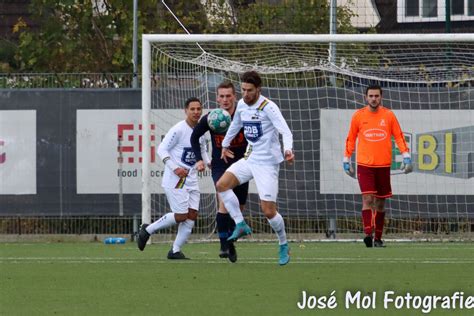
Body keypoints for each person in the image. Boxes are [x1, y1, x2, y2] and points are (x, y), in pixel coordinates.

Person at [215, 70, 294, 266]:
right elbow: (235, 125)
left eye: (249, 90)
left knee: (268, 211)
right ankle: (240, 223)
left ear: (258, 90)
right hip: (250, 159)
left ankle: (283, 243)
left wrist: (288, 149)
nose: (245, 94)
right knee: (222, 185)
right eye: (243, 90)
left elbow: (285, 130)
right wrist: (225, 145)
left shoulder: (269, 107)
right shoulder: (241, 104)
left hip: (267, 164)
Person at [137, 97, 210, 259]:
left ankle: (175, 250)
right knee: (181, 215)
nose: (196, 112)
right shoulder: (178, 129)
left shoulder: (201, 131)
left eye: (199, 109)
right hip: (175, 180)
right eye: (192, 109)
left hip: (191, 179)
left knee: (192, 216)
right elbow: (162, 149)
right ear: (186, 111)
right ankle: (147, 230)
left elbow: (203, 150)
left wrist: (209, 163)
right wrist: (175, 168)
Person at [343, 84, 412, 248]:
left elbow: (399, 137)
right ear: (365, 97)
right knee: (367, 199)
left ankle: (378, 238)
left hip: (383, 165)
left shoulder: (388, 116)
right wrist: (346, 159)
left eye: (377, 96)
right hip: (364, 165)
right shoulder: (358, 116)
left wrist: (406, 156)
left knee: (380, 203)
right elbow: (351, 139)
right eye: (371, 96)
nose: (374, 99)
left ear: (381, 97)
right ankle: (368, 233)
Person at [190, 82, 248, 263]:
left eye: (228, 96)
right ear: (217, 98)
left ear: (234, 97)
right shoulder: (212, 118)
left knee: (239, 207)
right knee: (224, 201)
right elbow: (194, 137)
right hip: (220, 165)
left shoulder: (244, 115)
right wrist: (199, 159)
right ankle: (223, 244)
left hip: (242, 165)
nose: (225, 100)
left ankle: (230, 240)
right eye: (221, 96)